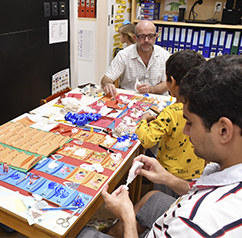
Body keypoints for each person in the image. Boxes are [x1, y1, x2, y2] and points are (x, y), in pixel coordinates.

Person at [78, 55, 242, 238]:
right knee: (152, 197)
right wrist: (168, 178)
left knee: (79, 233)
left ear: (224, 130)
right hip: (181, 209)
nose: (186, 132)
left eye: (190, 123)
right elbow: (200, 187)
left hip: (180, 223)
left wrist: (127, 217)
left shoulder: (194, 223)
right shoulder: (225, 168)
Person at [135, 50, 206, 197]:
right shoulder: (206, 107)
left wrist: (143, 120)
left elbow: (147, 140)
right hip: (196, 172)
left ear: (172, 81)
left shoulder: (171, 112)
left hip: (168, 174)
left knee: (164, 202)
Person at [101, 20, 170, 98]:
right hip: (130, 99)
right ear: (135, 38)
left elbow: (168, 83)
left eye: (150, 36)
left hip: (157, 99)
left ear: (156, 36)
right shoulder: (124, 55)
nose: (146, 40)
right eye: (142, 36)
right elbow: (106, 79)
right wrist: (108, 84)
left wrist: (151, 89)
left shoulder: (164, 55)